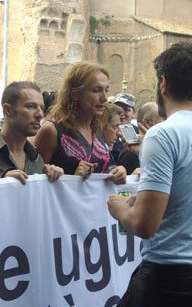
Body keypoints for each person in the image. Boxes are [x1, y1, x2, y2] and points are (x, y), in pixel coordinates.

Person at [107, 42, 192, 306]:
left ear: (163, 83)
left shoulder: (164, 133)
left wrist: (120, 208)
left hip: (170, 277)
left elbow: (145, 224)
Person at [32, 62, 126, 183]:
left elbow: (108, 166)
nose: (104, 98)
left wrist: (119, 170)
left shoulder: (97, 128)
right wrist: (69, 177)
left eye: (106, 90)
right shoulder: (52, 130)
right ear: (75, 94)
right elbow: (35, 179)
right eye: (96, 90)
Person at [0, 81, 64, 184]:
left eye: (42, 108)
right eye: (31, 106)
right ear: (8, 110)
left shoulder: (37, 160)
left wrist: (55, 179)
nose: (40, 114)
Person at [117, 101, 164, 174]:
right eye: (163, 119)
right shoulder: (132, 154)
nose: (166, 124)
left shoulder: (149, 148)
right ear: (148, 122)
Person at [111, 93, 138, 162]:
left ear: (134, 112)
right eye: (119, 109)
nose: (122, 113)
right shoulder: (106, 131)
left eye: (126, 110)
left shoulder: (138, 133)